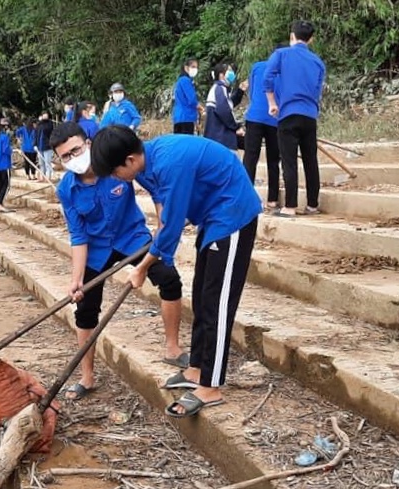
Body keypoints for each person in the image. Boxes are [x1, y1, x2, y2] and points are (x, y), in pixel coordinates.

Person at [90, 126, 262, 418]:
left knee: (217, 305)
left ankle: (211, 385)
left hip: (232, 214)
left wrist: (143, 268)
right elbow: (163, 212)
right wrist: (160, 229)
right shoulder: (146, 162)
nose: (116, 179)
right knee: (202, 297)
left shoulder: (171, 163)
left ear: (129, 160)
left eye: (116, 172)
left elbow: (172, 226)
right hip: (212, 217)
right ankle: (196, 369)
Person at [51, 122, 187, 401]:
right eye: (65, 156)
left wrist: (163, 222)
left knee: (169, 278)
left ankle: (172, 348)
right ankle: (87, 377)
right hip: (96, 249)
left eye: (76, 149)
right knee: (85, 307)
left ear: (88, 143)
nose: (73, 158)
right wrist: (76, 279)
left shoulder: (115, 164)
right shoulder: (67, 190)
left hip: (132, 238)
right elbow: (78, 235)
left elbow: (154, 185)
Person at [264, 20, 326, 217]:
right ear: (311, 39)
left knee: (289, 161)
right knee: (310, 160)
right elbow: (317, 91)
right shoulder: (318, 62)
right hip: (309, 115)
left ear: (292, 36)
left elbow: (267, 77)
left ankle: (290, 206)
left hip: (288, 114)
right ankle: (312, 205)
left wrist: (272, 103)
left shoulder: (281, 54)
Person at [243, 45, 285, 210]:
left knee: (250, 158)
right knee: (273, 160)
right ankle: (272, 200)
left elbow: (253, 90)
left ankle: (245, 197)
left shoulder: (257, 66)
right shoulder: (284, 71)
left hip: (254, 117)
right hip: (274, 118)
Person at [203, 63, 247, 151]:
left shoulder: (220, 89)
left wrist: (240, 91)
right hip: (221, 138)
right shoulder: (220, 88)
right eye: (229, 71)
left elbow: (229, 104)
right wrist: (236, 127)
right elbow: (223, 110)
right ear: (221, 75)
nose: (232, 73)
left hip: (218, 138)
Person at [172, 58, 204, 134]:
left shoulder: (180, 81)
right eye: (193, 67)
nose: (195, 69)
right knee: (187, 143)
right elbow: (192, 100)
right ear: (186, 67)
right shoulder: (186, 80)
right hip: (186, 117)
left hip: (179, 117)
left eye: (196, 67)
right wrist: (201, 108)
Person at [0, 118, 14, 213]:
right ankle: (0, 204)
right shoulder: (4, 137)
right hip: (4, 164)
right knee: (6, 185)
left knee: (0, 186)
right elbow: (6, 150)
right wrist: (12, 150)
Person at [35, 111, 55, 181]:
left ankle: (48, 177)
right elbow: (36, 134)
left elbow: (51, 133)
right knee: (41, 163)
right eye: (44, 115)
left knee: (47, 162)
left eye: (46, 115)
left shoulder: (50, 124)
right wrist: (35, 144)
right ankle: (42, 177)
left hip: (47, 146)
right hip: (39, 146)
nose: (45, 116)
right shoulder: (39, 124)